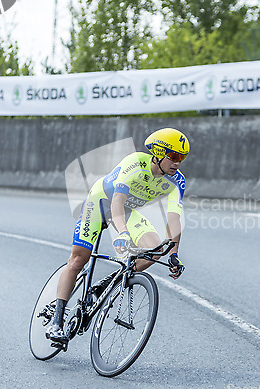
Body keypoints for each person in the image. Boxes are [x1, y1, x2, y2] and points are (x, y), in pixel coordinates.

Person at [46, 127, 189, 343]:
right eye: (174, 156)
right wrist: (122, 233)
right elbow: (117, 202)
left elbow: (174, 220)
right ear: (158, 153)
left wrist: (174, 254)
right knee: (78, 259)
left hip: (128, 211)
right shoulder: (135, 163)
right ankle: (56, 320)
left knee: (157, 250)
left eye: (182, 158)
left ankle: (105, 285)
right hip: (100, 204)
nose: (178, 163)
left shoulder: (176, 181)